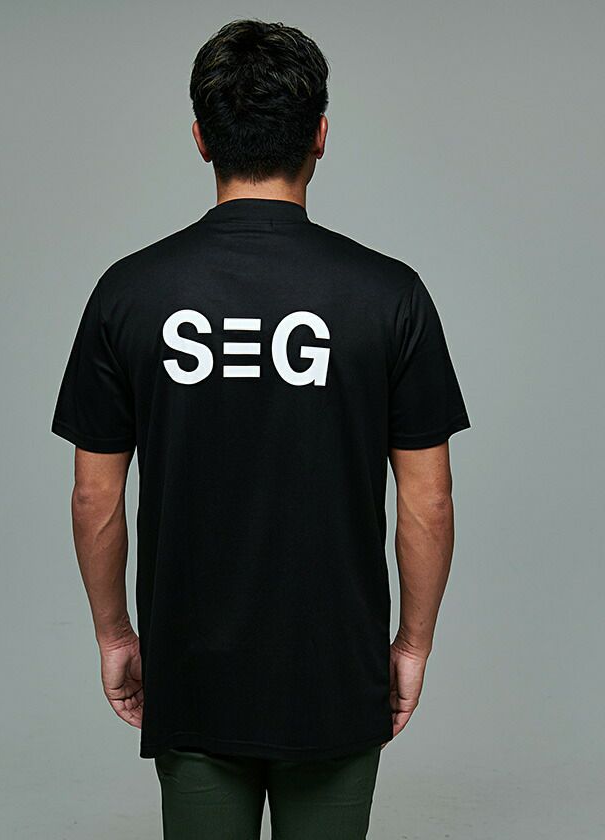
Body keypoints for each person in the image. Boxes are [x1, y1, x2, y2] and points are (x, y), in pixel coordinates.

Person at [51, 18, 470, 839]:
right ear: (320, 136)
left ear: (202, 139)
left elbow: (94, 499)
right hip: (336, 671)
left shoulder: (129, 292)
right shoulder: (389, 295)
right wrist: (412, 646)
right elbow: (428, 502)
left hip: (191, 671)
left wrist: (114, 634)